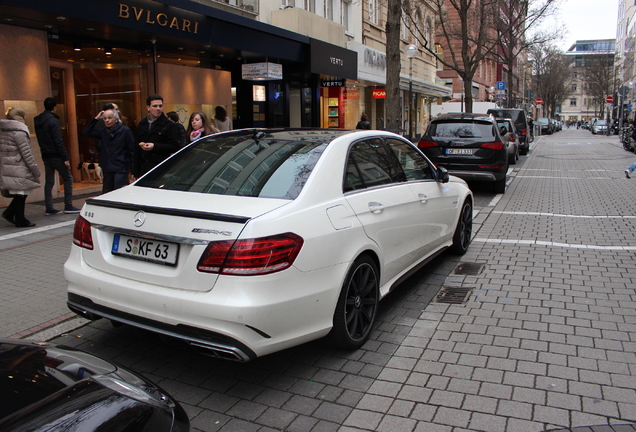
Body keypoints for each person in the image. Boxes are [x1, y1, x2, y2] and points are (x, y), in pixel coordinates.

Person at [33, 97, 80, 215]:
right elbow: (58, 141)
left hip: (45, 154)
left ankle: (49, 207)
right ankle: (68, 205)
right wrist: (65, 158)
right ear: (55, 107)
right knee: (68, 177)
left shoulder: (38, 120)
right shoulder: (53, 121)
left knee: (49, 180)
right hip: (56, 155)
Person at [0, 108, 41, 227]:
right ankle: (19, 219)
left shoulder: (3, 130)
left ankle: (11, 214)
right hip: (19, 167)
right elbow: (27, 154)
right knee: (21, 194)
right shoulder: (20, 132)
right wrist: (35, 170)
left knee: (20, 193)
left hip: (8, 166)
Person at [83, 108, 136, 193]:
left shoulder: (125, 131)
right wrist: (96, 119)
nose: (107, 120)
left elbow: (132, 150)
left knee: (118, 191)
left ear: (116, 119)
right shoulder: (103, 132)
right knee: (109, 192)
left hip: (121, 167)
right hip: (108, 167)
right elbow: (87, 132)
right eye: (105, 118)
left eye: (110, 118)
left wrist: (133, 170)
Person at [134, 94, 180, 177]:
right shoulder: (142, 124)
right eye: (155, 106)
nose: (158, 109)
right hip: (144, 168)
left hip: (161, 168)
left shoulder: (168, 125)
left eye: (160, 106)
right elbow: (136, 150)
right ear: (148, 107)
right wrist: (136, 172)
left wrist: (154, 146)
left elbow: (175, 146)